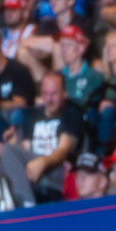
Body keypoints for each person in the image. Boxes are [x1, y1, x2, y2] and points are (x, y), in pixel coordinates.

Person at [17, 66, 86, 195]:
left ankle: (26, 198)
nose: (49, 100)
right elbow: (25, 148)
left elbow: (63, 151)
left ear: (64, 93)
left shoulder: (71, 113)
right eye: (45, 94)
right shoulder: (33, 116)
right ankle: (25, 199)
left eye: (54, 94)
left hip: (56, 168)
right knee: (8, 151)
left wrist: (43, 162)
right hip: (33, 168)